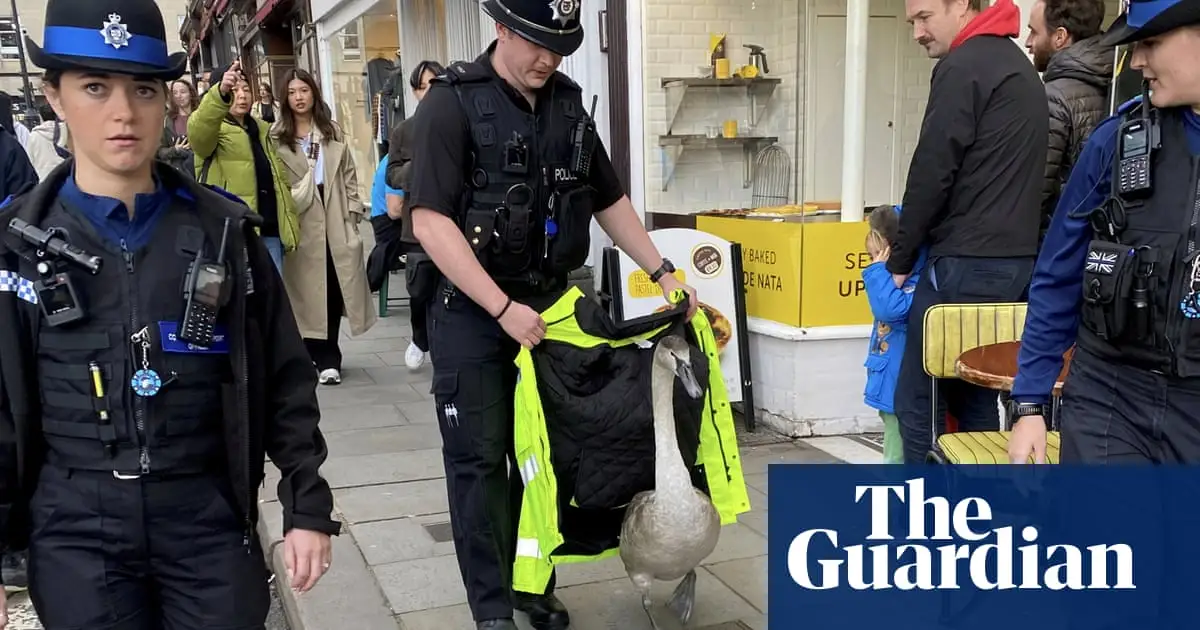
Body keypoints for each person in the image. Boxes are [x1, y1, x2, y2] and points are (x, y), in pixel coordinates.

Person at [0, 0, 341, 628]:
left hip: (203, 518)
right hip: (76, 528)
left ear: (168, 101)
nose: (123, 113)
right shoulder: (13, 247)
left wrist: (307, 505)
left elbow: (287, 379)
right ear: (54, 96)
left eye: (144, 89)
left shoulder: (226, 236)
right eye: (95, 88)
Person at [404, 0, 698, 626]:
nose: (549, 57)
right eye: (537, 42)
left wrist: (663, 271)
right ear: (502, 28)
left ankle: (532, 586)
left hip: (550, 312)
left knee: (547, 462)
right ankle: (492, 609)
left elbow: (608, 200)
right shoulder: (450, 106)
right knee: (480, 463)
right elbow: (430, 222)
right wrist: (500, 306)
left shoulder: (568, 106)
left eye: (561, 45)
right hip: (473, 313)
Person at [1009, 0, 1200, 464]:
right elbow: (1058, 274)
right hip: (1109, 398)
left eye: (1150, 43)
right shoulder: (1116, 142)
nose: (1136, 62)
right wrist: (1030, 403)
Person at [890, 0, 1047, 464]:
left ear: (962, 6)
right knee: (975, 399)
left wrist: (900, 259)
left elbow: (932, 169)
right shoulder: (1016, 65)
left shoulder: (964, 65)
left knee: (919, 404)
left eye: (924, 17)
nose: (917, 32)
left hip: (962, 264)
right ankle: (975, 516)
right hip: (1014, 265)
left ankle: (926, 522)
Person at [273, 69, 376, 386]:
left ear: (314, 93)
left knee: (332, 288)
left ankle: (330, 357)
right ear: (285, 98)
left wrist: (354, 213)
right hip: (300, 220)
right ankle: (310, 354)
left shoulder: (331, 131)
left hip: (334, 217)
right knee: (304, 293)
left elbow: (349, 175)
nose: (299, 97)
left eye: (304, 90)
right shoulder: (277, 137)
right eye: (292, 92)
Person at [189, 60, 299, 273]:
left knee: (271, 300)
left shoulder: (261, 129)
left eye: (246, 89)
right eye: (234, 90)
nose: (241, 95)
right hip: (231, 234)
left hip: (269, 229)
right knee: (241, 302)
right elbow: (198, 133)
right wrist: (220, 93)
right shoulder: (214, 130)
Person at [1025, 0, 1111, 242]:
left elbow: (1034, 195)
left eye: (1033, 31)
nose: (1028, 42)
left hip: (1057, 243)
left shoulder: (1053, 96)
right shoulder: (1115, 78)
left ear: (1060, 37)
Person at [384, 59, 444, 370]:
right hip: (417, 223)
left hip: (454, 221)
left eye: (434, 84)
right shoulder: (403, 131)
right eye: (422, 87)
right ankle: (419, 337)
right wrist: (418, 167)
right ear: (414, 92)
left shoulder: (456, 124)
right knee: (419, 287)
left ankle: (447, 344)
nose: (428, 92)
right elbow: (392, 175)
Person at [862, 205, 926, 464]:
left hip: (901, 386)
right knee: (894, 448)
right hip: (890, 381)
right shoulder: (895, 284)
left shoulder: (911, 284)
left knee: (896, 457)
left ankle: (896, 500)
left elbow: (889, 310)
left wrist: (878, 273)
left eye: (878, 255)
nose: (875, 263)